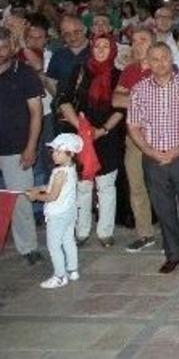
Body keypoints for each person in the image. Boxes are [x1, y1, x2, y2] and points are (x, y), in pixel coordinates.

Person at [127, 42, 179, 280]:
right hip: (153, 158)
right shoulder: (140, 89)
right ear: (148, 62)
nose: (160, 63)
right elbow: (133, 124)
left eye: (164, 58)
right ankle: (174, 255)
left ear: (171, 58)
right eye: (154, 59)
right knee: (164, 210)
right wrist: (149, 151)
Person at [55, 34, 124, 246]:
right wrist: (82, 127)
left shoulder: (118, 75)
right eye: (97, 46)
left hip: (107, 136)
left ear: (113, 50)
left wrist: (101, 131)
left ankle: (105, 233)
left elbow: (122, 109)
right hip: (80, 135)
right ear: (91, 49)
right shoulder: (80, 71)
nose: (101, 50)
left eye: (106, 46)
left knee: (106, 186)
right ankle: (81, 232)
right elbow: (64, 100)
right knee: (82, 185)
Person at [0, 26, 45, 266]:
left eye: (3, 47)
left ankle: (28, 247)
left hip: (17, 147)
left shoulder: (25, 73)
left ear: (12, 48)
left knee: (21, 201)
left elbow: (36, 113)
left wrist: (31, 146)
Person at [112, 26, 156, 251]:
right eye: (134, 41)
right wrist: (145, 98)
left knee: (163, 187)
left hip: (161, 139)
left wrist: (132, 97)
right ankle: (145, 233)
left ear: (153, 43)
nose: (137, 44)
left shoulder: (166, 67)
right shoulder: (129, 70)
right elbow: (115, 100)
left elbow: (166, 100)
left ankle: (172, 232)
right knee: (136, 185)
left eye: (143, 39)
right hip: (135, 137)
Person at [26, 133, 82, 289]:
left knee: (54, 246)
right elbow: (53, 189)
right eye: (53, 151)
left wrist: (36, 196)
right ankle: (73, 270)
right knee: (68, 241)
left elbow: (52, 196)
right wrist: (39, 188)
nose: (54, 155)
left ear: (69, 153)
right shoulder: (71, 169)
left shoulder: (59, 173)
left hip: (57, 215)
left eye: (58, 151)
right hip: (69, 212)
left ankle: (59, 276)